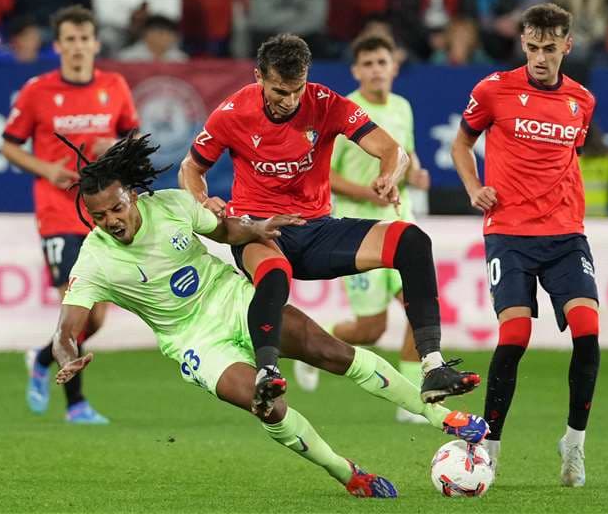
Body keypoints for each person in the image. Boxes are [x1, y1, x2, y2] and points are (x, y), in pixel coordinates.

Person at [51, 133, 490, 498]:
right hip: (194, 342)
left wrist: (256, 229)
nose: (110, 220)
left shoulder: (171, 206)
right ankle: (346, 472)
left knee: (331, 352)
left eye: (116, 208)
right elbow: (66, 328)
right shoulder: (93, 261)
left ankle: (441, 418)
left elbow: (224, 231)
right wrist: (68, 355)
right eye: (99, 216)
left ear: (133, 195)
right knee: (269, 405)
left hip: (234, 299)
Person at [179, 33, 480, 416]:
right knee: (274, 273)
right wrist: (202, 201)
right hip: (262, 229)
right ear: (258, 77)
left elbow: (392, 149)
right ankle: (266, 373)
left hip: (317, 229)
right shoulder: (232, 112)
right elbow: (191, 168)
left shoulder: (326, 103)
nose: (289, 101)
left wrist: (389, 174)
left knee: (412, 240)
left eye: (296, 90)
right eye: (279, 91)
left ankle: (433, 366)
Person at [450, 3, 600, 488]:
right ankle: (489, 447)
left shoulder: (582, 101)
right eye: (532, 47)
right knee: (514, 337)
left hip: (564, 235)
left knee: (588, 331)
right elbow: (461, 144)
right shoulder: (493, 90)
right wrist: (474, 188)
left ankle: (573, 445)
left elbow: (566, 159)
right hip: (509, 235)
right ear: (523, 44)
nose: (540, 57)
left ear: (566, 46)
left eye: (549, 48)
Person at [1, 5, 140, 424]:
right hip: (58, 210)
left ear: (95, 43)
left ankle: (42, 357)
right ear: (58, 45)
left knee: (96, 315)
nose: (78, 47)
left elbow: (131, 134)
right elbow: (9, 144)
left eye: (85, 39)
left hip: (98, 210)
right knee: (77, 303)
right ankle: (76, 403)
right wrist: (47, 169)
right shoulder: (36, 91)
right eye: (70, 40)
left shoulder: (114, 85)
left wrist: (112, 145)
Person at [292, 35, 432, 425]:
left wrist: (414, 172)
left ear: (394, 67)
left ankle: (413, 397)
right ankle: (315, 344)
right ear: (356, 71)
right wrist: (368, 195)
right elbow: (326, 173)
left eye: (381, 61)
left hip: (400, 219)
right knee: (371, 329)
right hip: (355, 227)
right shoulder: (344, 110)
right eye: (367, 63)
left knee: (417, 305)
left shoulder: (403, 107)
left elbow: (405, 151)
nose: (375, 69)